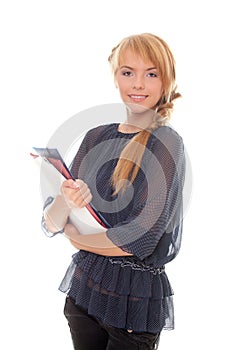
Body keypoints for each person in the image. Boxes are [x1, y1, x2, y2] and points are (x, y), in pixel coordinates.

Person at [42, 33, 186, 350]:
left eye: (151, 74)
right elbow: (50, 223)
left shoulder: (166, 143)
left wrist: (76, 238)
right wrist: (65, 202)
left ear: (166, 80)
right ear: (116, 77)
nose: (138, 84)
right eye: (127, 72)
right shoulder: (95, 137)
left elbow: (141, 240)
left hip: (132, 307)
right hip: (84, 294)